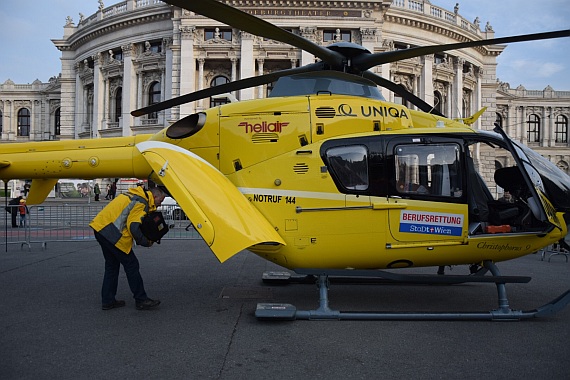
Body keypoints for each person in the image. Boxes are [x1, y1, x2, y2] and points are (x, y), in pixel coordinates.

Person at [90, 185, 166, 310]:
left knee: (112, 266)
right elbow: (133, 227)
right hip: (112, 234)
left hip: (101, 229)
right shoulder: (141, 202)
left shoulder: (134, 195)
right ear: (154, 196)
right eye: (160, 201)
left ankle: (108, 300)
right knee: (132, 265)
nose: (160, 204)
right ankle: (141, 299)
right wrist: (146, 242)